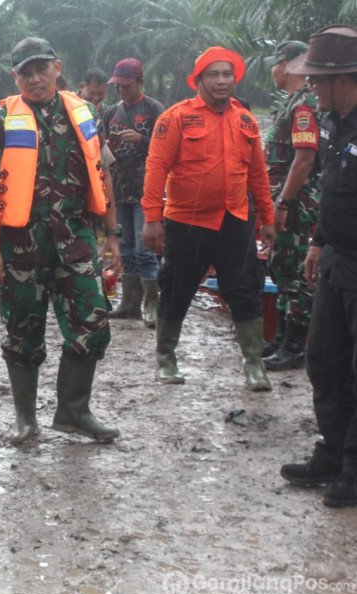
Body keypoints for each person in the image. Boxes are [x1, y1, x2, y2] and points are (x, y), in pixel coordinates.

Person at [0, 37, 122, 443]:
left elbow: (103, 175)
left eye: (41, 69)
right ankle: (26, 418)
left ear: (57, 67)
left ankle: (73, 411)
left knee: (93, 323)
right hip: (21, 247)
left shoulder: (87, 113)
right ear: (14, 76)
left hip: (76, 240)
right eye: (25, 72)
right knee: (22, 331)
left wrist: (113, 234)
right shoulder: (0, 120)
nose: (34, 78)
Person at [142, 46, 275, 391]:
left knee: (245, 290)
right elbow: (156, 168)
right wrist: (152, 218)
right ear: (198, 79)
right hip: (188, 221)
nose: (221, 81)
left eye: (227, 74)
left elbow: (258, 173)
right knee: (176, 289)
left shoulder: (245, 119)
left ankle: (254, 364)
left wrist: (268, 217)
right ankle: (166, 359)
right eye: (213, 75)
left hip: (236, 220)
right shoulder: (175, 117)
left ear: (235, 79)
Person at [280, 25, 357, 508]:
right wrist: (317, 243)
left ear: (343, 79)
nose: (310, 87)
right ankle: (331, 453)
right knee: (324, 359)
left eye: (317, 81)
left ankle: (353, 469)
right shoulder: (330, 123)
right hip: (334, 259)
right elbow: (333, 191)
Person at [261, 41, 321, 371]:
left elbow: (305, 158)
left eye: (277, 63)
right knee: (282, 270)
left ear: (288, 65)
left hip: (296, 205)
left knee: (295, 274)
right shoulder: (293, 102)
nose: (274, 70)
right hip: (285, 202)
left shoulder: (303, 106)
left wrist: (283, 201)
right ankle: (282, 340)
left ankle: (295, 346)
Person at [101, 58, 164, 327]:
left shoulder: (154, 110)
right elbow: (102, 155)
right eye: (117, 86)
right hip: (119, 189)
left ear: (140, 82)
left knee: (144, 247)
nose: (121, 90)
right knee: (124, 248)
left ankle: (152, 306)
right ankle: (129, 304)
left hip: (145, 190)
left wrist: (141, 140)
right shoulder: (111, 113)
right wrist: (110, 145)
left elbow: (167, 150)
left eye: (126, 85)